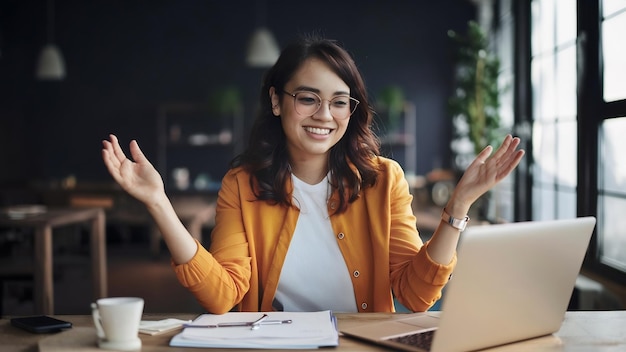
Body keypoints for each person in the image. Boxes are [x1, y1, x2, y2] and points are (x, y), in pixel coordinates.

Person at [102, 35, 524, 314]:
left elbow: (415, 296)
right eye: (308, 98)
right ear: (276, 100)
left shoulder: (384, 180)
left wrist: (459, 206)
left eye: (340, 102)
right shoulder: (242, 184)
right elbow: (222, 295)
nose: (324, 115)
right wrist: (158, 202)